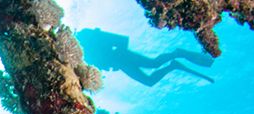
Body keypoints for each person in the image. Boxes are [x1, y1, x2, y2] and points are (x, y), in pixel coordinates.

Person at [77, 28, 214, 86]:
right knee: (149, 81)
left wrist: (120, 56)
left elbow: (122, 40)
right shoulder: (80, 55)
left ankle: (178, 53)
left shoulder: (90, 37)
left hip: (124, 58)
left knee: (153, 64)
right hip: (121, 64)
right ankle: (174, 65)